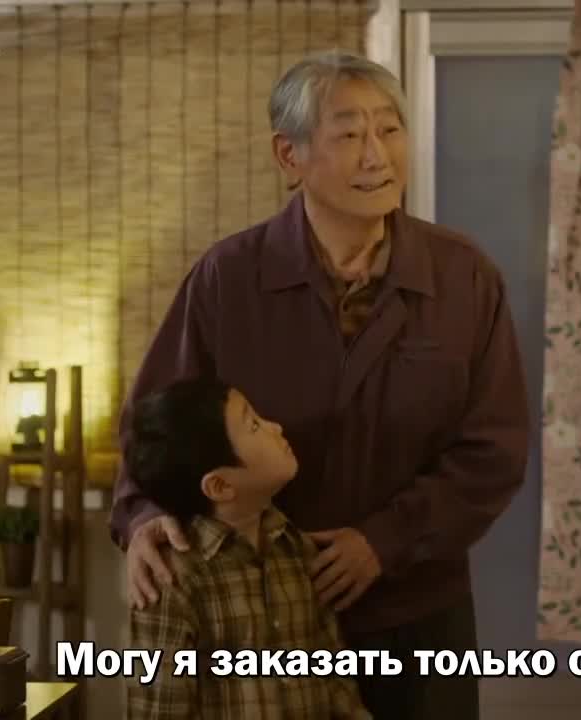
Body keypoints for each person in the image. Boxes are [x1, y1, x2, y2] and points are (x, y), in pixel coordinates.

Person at [110, 50, 530, 719]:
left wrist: (384, 542)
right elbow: (155, 427)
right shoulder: (229, 277)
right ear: (290, 155)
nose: (376, 156)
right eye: (349, 134)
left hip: (417, 613)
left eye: (389, 129)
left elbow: (494, 450)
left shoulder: (463, 276)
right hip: (259, 617)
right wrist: (142, 518)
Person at [124, 377, 370, 720]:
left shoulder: (297, 550)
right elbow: (160, 710)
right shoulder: (172, 580)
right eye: (254, 425)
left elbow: (334, 677)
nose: (276, 427)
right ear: (220, 486)